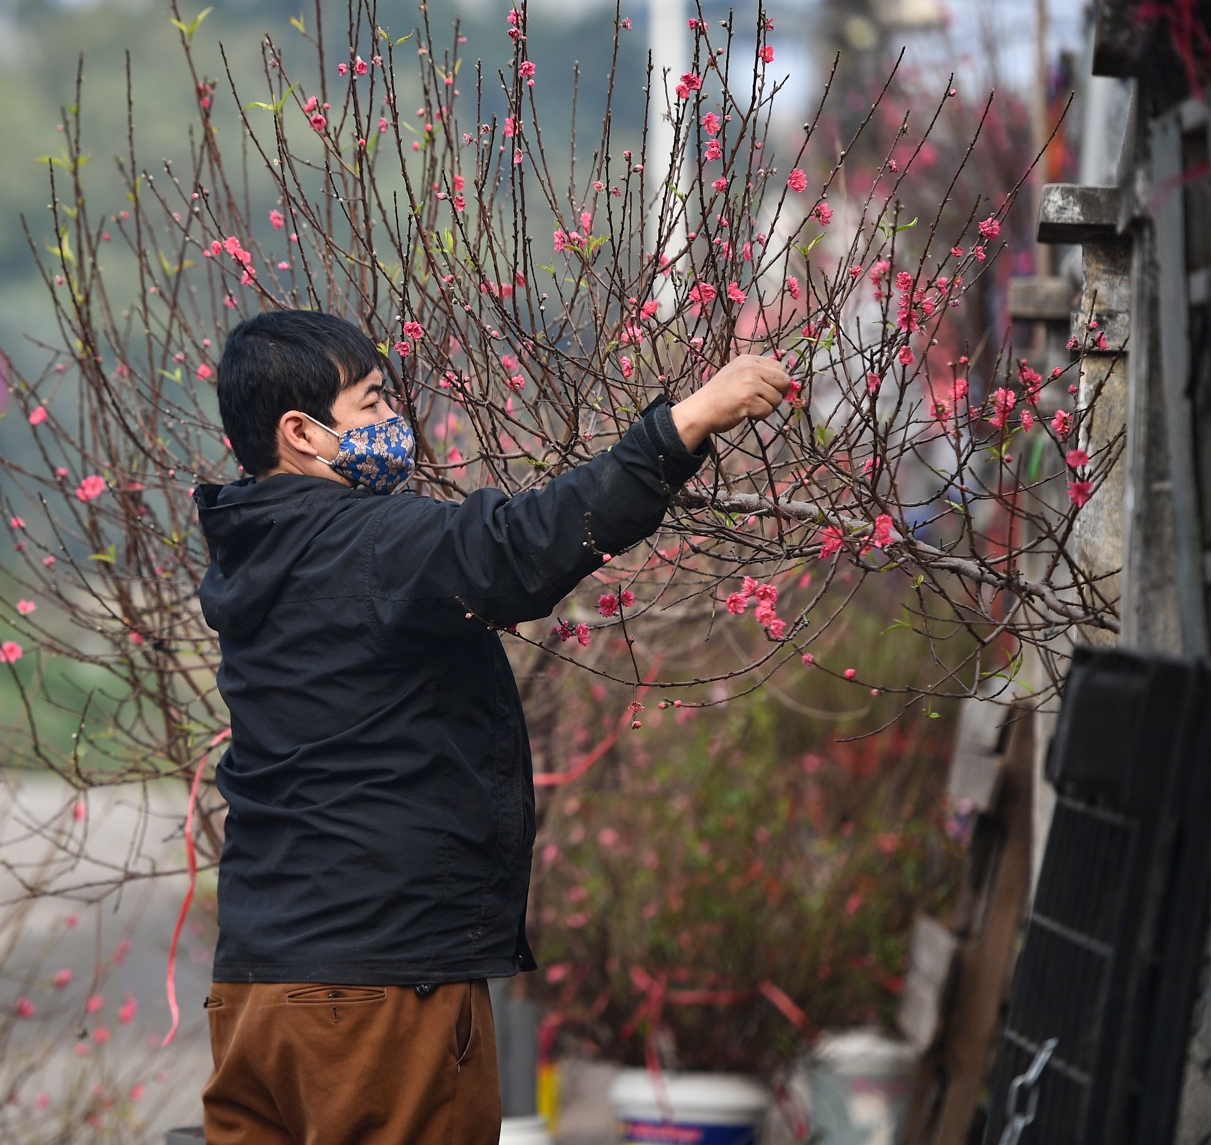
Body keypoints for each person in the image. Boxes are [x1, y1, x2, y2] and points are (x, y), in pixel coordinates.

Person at [193, 311, 790, 1143]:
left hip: (255, 991)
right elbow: (523, 546)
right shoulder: (367, 544)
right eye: (371, 403)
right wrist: (687, 422)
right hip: (380, 992)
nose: (392, 420)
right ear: (300, 432)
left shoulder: (250, 553)